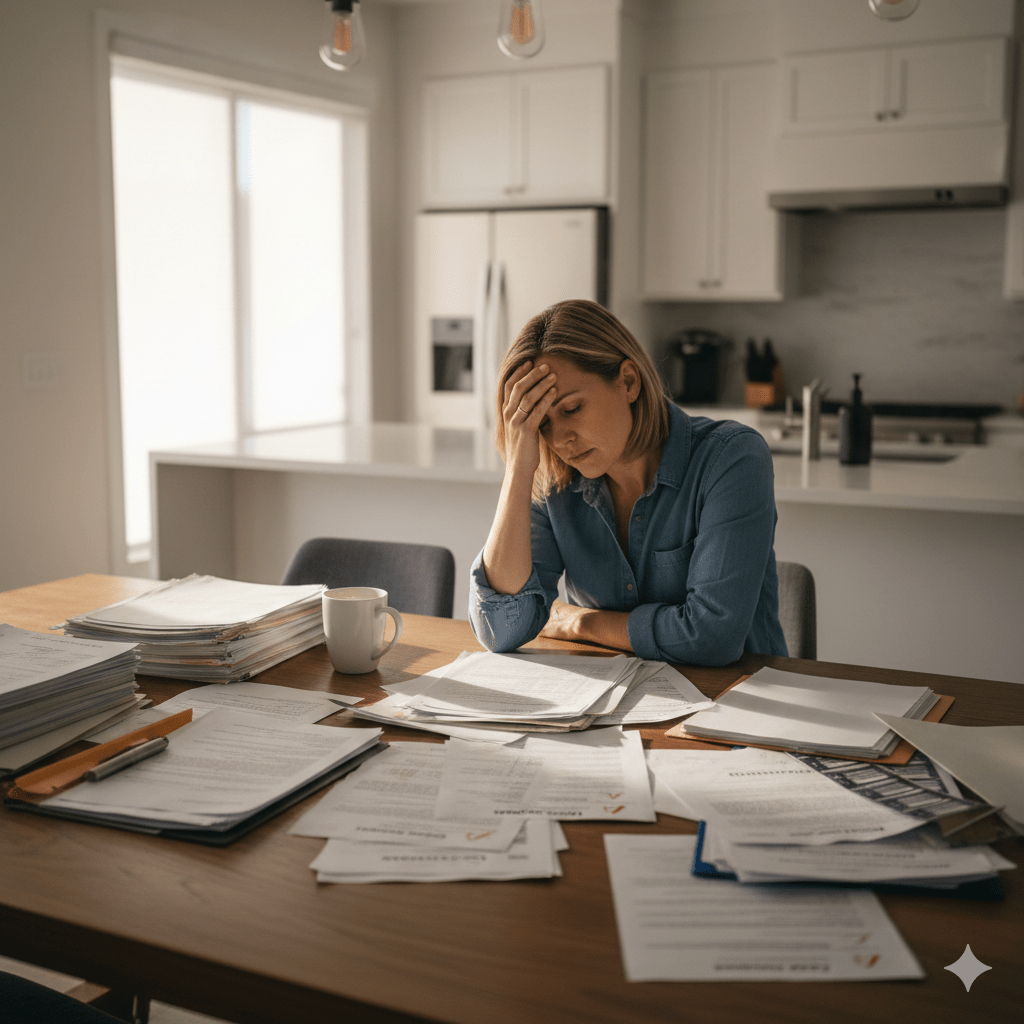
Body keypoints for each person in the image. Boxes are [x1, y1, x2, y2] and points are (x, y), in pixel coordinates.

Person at [469, 299, 787, 665]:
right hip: (610, 696)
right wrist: (518, 468)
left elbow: (712, 637)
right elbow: (501, 630)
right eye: (542, 424)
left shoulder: (731, 458)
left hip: (738, 694)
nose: (560, 440)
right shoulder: (554, 481)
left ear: (629, 382)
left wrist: (578, 622)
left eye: (572, 408)